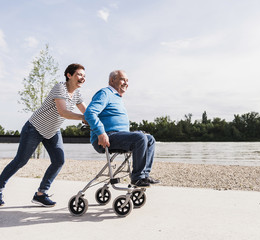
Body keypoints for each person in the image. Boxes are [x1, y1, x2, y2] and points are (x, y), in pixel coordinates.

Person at [0, 63, 87, 207]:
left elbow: (87, 112)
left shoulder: (77, 93)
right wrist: (83, 118)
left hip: (52, 131)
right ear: (69, 75)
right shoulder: (60, 87)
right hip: (34, 128)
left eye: (84, 76)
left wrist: (98, 119)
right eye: (79, 74)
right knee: (20, 161)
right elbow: (63, 112)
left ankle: (41, 194)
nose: (82, 78)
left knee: (59, 160)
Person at [84, 70, 159, 188]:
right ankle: (137, 178)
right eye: (123, 79)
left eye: (127, 81)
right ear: (112, 80)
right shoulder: (105, 93)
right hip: (106, 137)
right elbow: (89, 113)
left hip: (119, 135)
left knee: (150, 139)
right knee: (139, 137)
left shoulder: (117, 97)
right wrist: (101, 132)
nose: (126, 83)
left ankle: (144, 175)